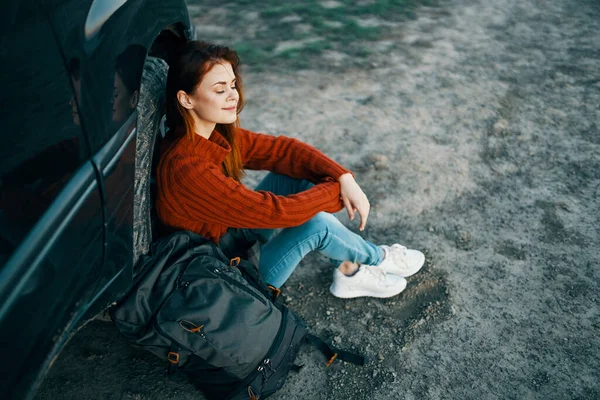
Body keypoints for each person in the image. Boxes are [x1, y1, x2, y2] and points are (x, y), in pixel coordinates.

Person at [156, 41, 425, 299]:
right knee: (316, 225)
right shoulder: (186, 169)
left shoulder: (207, 135)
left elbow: (282, 151)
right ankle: (380, 258)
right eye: (219, 89)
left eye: (233, 85)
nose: (233, 96)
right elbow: (273, 212)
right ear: (186, 99)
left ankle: (349, 273)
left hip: (229, 238)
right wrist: (335, 192)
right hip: (221, 279)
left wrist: (343, 177)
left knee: (293, 175)